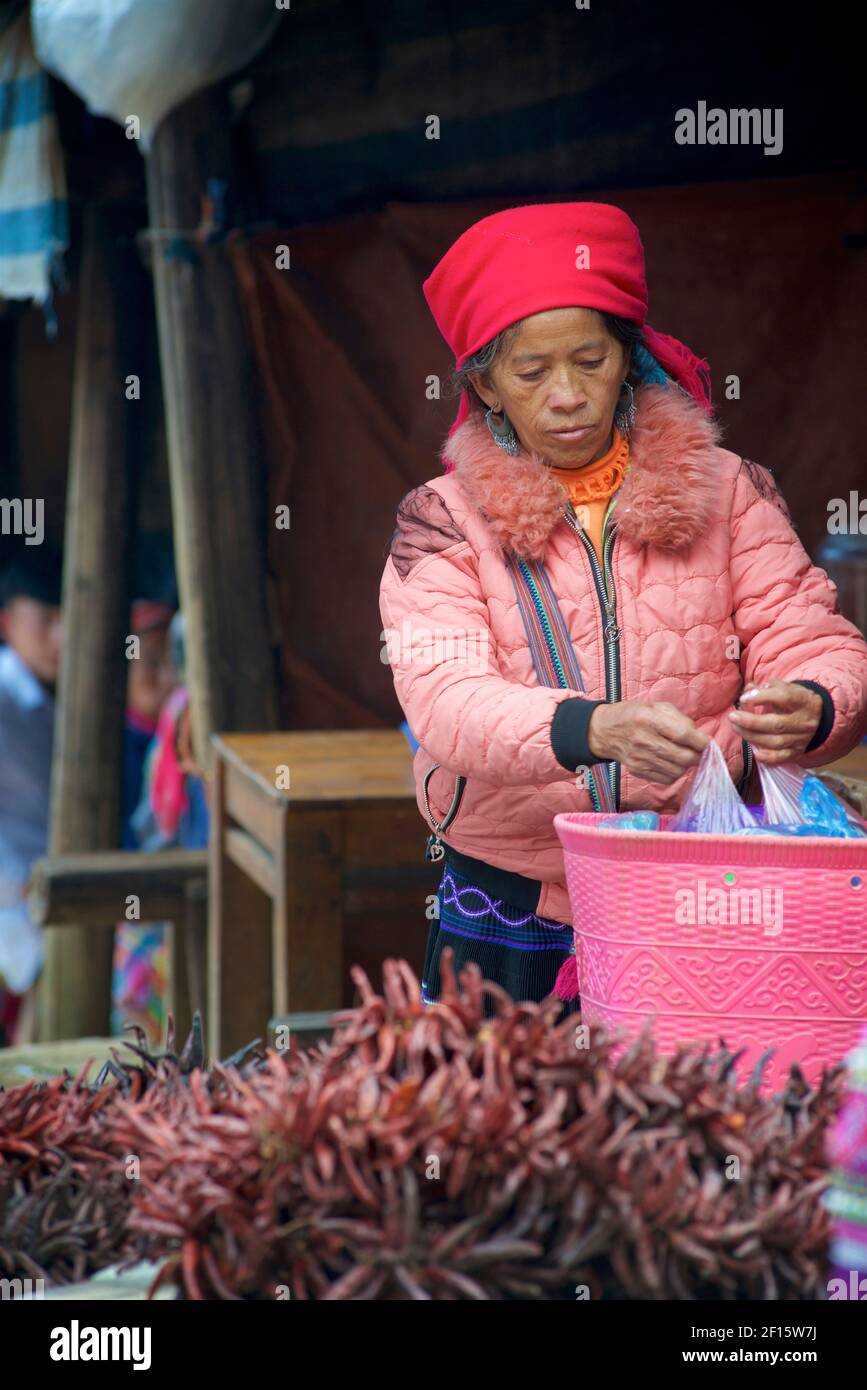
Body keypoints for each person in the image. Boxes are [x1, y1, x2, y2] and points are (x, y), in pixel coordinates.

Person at [379, 202, 867, 1010]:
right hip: (516, 897)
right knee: (502, 1125)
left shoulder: (727, 492)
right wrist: (590, 728)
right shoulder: (441, 519)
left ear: (627, 360)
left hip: (701, 880)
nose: (567, 395)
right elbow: (443, 697)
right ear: (487, 388)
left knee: (691, 1123)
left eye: (590, 360)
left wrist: (814, 705)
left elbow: (816, 637)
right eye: (531, 372)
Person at [0, 545, 63, 1043]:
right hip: (19, 903)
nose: (60, 637)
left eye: (68, 620)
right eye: (45, 622)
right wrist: (17, 882)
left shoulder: (58, 694)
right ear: (7, 624)